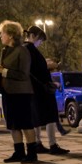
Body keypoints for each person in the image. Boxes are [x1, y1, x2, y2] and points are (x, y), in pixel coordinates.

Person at [0, 20, 37, 163]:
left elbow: (24, 74)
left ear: (11, 35)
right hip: (8, 92)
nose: (0, 36)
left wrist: (4, 71)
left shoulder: (22, 50)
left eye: (3, 33)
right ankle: (19, 152)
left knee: (25, 124)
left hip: (21, 93)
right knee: (13, 124)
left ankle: (32, 153)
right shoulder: (5, 51)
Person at [23, 25, 69, 155]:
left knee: (36, 117)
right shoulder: (30, 49)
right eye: (40, 40)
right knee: (50, 116)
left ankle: (38, 143)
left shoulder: (25, 49)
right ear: (34, 36)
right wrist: (49, 82)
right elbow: (37, 70)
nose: (40, 44)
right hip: (41, 89)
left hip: (34, 89)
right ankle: (52, 144)